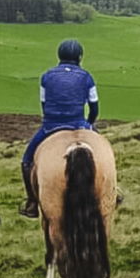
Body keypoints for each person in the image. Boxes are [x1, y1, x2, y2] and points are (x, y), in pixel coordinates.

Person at [20, 39, 99, 218]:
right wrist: (90, 124)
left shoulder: (46, 76)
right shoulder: (86, 77)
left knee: (26, 161)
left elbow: (44, 103)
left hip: (51, 125)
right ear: (79, 57)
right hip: (79, 123)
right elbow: (94, 107)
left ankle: (32, 201)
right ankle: (113, 191)